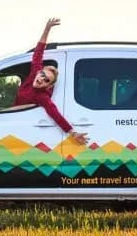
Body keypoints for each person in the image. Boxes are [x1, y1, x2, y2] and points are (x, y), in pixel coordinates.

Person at [16, 17, 90, 145]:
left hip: (21, 122)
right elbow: (38, 52)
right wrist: (47, 28)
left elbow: (55, 114)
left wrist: (73, 133)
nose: (41, 79)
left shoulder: (42, 96)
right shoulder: (34, 73)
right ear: (39, 71)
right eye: (42, 74)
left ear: (48, 86)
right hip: (14, 115)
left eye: (46, 80)